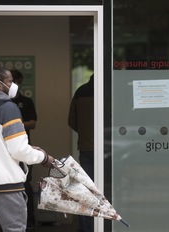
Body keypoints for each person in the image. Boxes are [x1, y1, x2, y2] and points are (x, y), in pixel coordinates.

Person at [0, 66, 54, 232]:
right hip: (5, 185)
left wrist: (28, 147)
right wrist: (44, 157)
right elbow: (18, 151)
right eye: (10, 81)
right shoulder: (8, 109)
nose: (14, 85)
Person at [10, 69, 37, 229]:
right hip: (4, 150)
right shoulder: (0, 104)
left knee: (25, 184)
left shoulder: (26, 102)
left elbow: (33, 123)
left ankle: (29, 221)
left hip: (22, 147)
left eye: (16, 81)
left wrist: (13, 124)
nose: (14, 85)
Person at [68, 74, 94, 232]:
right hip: (109, 148)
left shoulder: (80, 91)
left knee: (84, 190)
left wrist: (85, 133)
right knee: (109, 189)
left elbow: (71, 120)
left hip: (86, 147)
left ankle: (86, 228)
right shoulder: (110, 89)